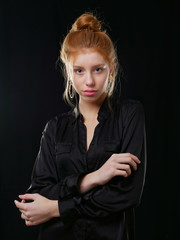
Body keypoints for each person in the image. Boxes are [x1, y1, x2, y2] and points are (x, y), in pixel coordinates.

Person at [14, 12, 146, 240]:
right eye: (79, 70)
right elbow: (37, 196)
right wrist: (93, 178)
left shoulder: (129, 114)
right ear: (68, 71)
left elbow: (126, 195)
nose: (89, 82)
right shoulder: (54, 128)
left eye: (98, 69)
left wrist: (56, 208)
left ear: (111, 68)